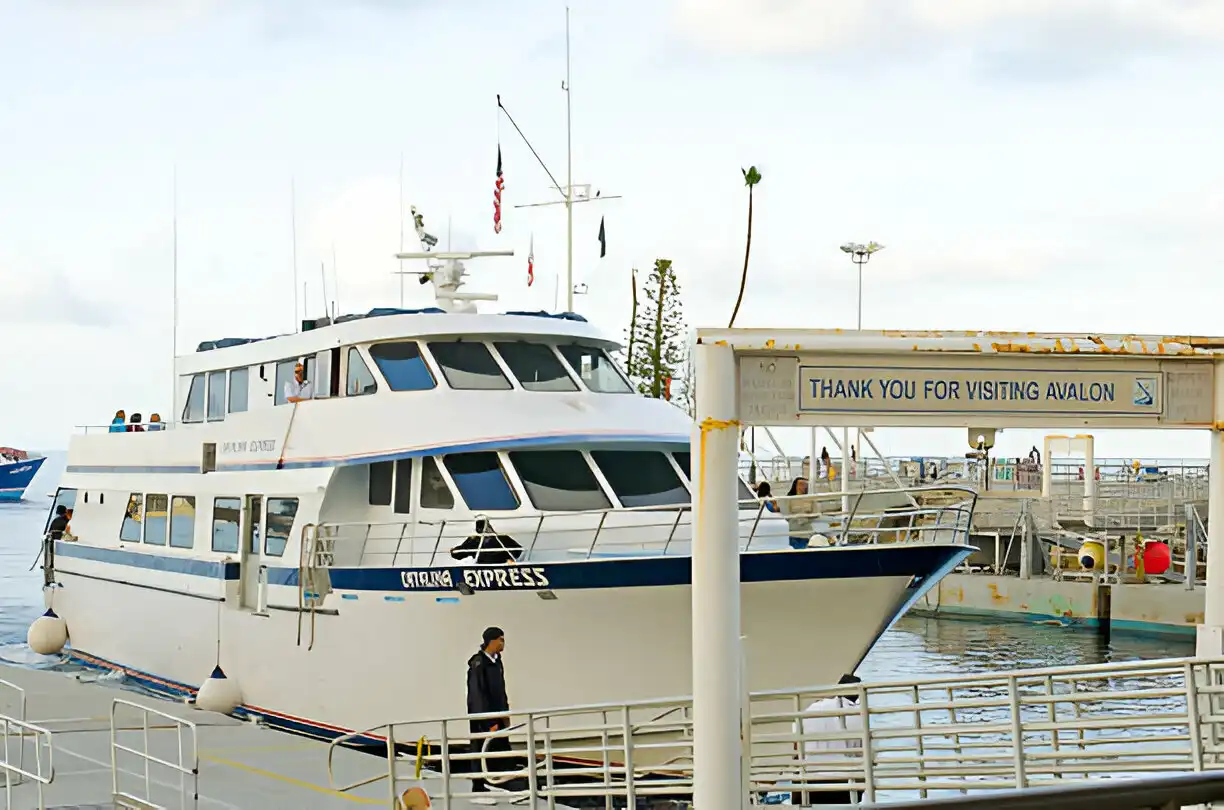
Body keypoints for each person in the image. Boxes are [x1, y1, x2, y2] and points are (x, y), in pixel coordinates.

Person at [798, 673, 864, 805]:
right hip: (844, 784)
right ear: (857, 695)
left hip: (811, 779)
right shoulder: (859, 715)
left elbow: (796, 744)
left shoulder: (813, 708)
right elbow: (865, 753)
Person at [467, 627, 511, 799]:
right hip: (483, 718)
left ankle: (498, 783)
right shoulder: (478, 664)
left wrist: (505, 714)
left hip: (498, 715)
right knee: (481, 751)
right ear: (491, 641)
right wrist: (488, 721)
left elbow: (501, 690)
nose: (503, 643)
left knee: (500, 750)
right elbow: (477, 694)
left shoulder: (497, 662)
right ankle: (478, 789)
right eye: (500, 639)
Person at [451, 519, 523, 565]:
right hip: (482, 566)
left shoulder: (502, 538)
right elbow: (462, 552)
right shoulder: (473, 540)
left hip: (500, 564)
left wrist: (510, 560)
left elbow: (518, 551)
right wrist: (454, 551)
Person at [782, 477, 815, 549]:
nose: (804, 486)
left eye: (805, 484)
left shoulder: (810, 499)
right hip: (793, 533)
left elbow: (816, 514)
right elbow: (786, 515)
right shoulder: (788, 499)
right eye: (801, 484)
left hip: (807, 533)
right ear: (796, 486)